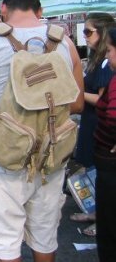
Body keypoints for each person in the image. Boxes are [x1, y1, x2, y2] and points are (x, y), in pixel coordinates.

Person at [0, 0, 84, 262]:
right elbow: (76, 103)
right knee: (44, 237)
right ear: (39, 10)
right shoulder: (64, 42)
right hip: (50, 158)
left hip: (3, 161)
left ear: (3, 9)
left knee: (5, 244)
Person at [70, 13, 115, 235]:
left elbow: (102, 100)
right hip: (91, 122)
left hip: (100, 124)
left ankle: (103, 220)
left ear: (102, 32)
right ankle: (96, 213)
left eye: (88, 31)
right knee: (92, 169)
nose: (85, 36)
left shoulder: (106, 64)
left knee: (101, 174)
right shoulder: (97, 60)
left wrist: (76, 94)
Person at [94, 26, 116, 262]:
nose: (108, 55)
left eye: (110, 50)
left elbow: (112, 116)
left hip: (110, 164)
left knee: (109, 230)